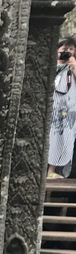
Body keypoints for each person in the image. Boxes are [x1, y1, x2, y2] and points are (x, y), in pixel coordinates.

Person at [48, 37, 76, 179]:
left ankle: (54, 171)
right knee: (51, 137)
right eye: (65, 49)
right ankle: (47, 171)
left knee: (65, 139)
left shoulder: (73, 66)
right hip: (52, 108)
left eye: (71, 49)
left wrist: (74, 67)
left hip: (69, 111)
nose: (68, 52)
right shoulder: (50, 65)